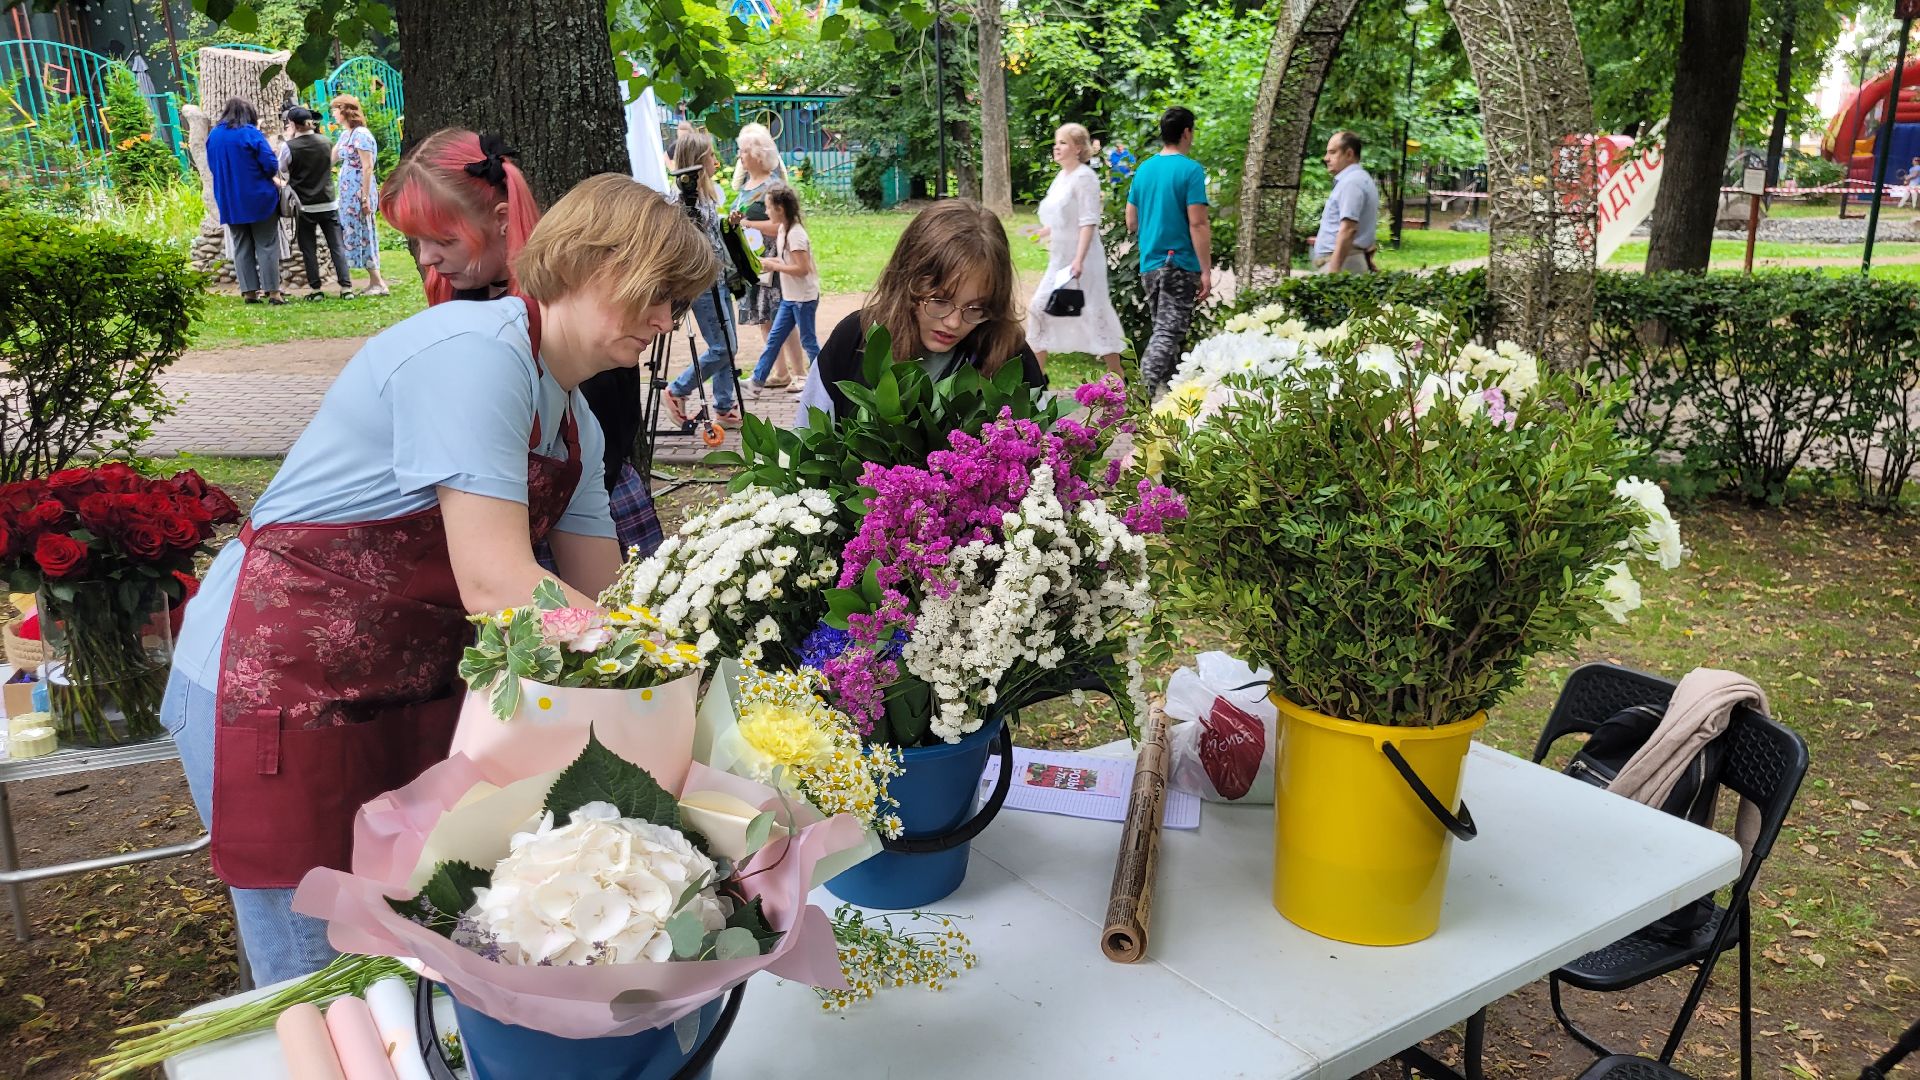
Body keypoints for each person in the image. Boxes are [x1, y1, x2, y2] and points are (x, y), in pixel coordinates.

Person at [162, 175, 715, 984]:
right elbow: (499, 584)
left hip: (401, 688)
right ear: (594, 262)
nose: (667, 320)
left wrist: (671, 677)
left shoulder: (577, 422)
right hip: (275, 685)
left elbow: (600, 603)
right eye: (657, 294)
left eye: (678, 301)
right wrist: (673, 671)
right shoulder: (472, 355)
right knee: (319, 979)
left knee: (401, 954)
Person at [382, 128, 665, 558]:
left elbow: (601, 427)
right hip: (500, 514)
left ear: (499, 219)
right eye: (418, 240)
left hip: (584, 499)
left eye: (443, 240)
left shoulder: (568, 308)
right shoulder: (461, 304)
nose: (426, 258)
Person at [796, 199, 1044, 424]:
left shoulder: (1011, 356)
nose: (954, 322)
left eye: (976, 308)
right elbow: (808, 442)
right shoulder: (853, 338)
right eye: (939, 300)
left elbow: (1048, 456)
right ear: (906, 281)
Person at [1026, 123, 1127, 380]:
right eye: (1056, 142)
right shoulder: (1062, 177)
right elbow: (1065, 218)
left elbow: (1088, 221)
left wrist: (1079, 260)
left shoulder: (1085, 177)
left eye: (1063, 143)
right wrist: (1044, 232)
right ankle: (1036, 379)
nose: (1056, 147)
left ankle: (1117, 375)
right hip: (1059, 258)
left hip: (1081, 260)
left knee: (1093, 312)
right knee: (1039, 310)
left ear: (1078, 148)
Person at [1126, 106, 1211, 398]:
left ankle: (1173, 400)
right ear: (1187, 132)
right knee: (1167, 333)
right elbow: (1198, 222)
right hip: (1179, 264)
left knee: (1167, 332)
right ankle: (1140, 395)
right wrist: (1206, 270)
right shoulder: (1190, 170)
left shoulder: (1145, 170)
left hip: (1150, 264)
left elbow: (1131, 221)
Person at [666, 129, 743, 426]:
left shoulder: (707, 194)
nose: (716, 160)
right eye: (711, 155)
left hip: (719, 279)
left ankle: (723, 405)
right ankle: (678, 388)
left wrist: (727, 225)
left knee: (728, 342)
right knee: (724, 346)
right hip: (702, 283)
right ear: (698, 161)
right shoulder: (682, 199)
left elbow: (709, 233)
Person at [731, 125, 806, 388]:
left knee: (781, 317)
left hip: (773, 260)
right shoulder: (744, 185)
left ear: (758, 154)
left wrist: (751, 225)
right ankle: (779, 372)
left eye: (744, 151)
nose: (740, 155)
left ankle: (800, 374)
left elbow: (784, 224)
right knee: (762, 316)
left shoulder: (774, 186)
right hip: (752, 260)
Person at [205, 97, 287, 305]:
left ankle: (249, 291)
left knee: (241, 245)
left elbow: (212, 165)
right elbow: (270, 164)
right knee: (267, 244)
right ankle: (273, 292)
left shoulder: (214, 135)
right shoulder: (250, 133)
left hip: (229, 199)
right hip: (259, 198)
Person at [749, 183, 820, 394]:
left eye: (769, 207)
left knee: (809, 341)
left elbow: (802, 269)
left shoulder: (795, 235)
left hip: (803, 298)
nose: (766, 211)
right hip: (790, 298)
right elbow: (785, 260)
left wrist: (773, 265)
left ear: (780, 209)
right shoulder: (783, 229)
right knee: (774, 339)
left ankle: (824, 379)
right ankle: (756, 382)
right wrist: (766, 261)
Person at [279, 107, 353, 300]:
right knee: (336, 245)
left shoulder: (290, 147)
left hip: (304, 206)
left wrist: (289, 139)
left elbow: (282, 168)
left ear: (293, 124)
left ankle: (316, 289)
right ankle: (346, 288)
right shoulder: (326, 142)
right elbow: (329, 164)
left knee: (308, 247)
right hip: (328, 202)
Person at [331, 93, 389, 297]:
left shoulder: (361, 134)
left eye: (335, 110)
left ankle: (378, 282)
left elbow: (367, 168)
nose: (333, 114)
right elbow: (332, 158)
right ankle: (374, 281)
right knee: (353, 232)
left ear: (345, 110)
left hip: (359, 191)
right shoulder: (345, 134)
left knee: (364, 232)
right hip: (348, 192)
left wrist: (365, 197)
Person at [1313, 130, 1379, 275]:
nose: (1326, 158)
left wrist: (1333, 272)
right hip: (1349, 260)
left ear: (1349, 154)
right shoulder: (1360, 179)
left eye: (1332, 152)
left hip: (1342, 263)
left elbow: (1348, 229)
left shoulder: (1352, 182)